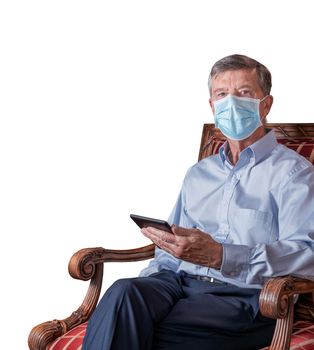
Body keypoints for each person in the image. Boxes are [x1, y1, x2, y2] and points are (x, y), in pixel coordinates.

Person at [82, 54, 314, 350]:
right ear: (212, 106)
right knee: (124, 293)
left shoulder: (294, 174)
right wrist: (162, 255)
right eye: (222, 94)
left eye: (243, 93)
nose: (231, 102)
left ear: (265, 104)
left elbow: (308, 254)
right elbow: (175, 242)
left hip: (243, 297)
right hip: (176, 282)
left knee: (135, 329)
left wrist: (221, 256)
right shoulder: (200, 173)